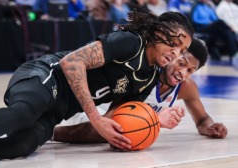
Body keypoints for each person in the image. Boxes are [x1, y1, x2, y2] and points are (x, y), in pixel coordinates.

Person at [0, 7, 194, 168]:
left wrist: (141, 128)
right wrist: (95, 117)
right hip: (48, 75)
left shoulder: (147, 77)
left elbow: (116, 119)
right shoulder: (130, 42)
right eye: (175, 44)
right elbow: (72, 62)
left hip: (63, 107)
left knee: (25, 144)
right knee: (26, 111)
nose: (176, 53)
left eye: (182, 51)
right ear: (159, 33)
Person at [53, 38, 228, 144]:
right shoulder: (146, 73)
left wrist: (211, 128)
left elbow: (203, 119)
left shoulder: (187, 87)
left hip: (110, 123)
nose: (182, 73)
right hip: (90, 112)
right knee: (113, 132)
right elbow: (119, 124)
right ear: (173, 55)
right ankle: (51, 134)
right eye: (181, 63)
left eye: (190, 70)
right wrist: (156, 121)